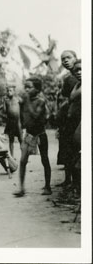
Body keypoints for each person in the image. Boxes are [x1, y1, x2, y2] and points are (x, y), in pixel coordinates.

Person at [14, 77, 51, 197]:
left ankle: (47, 186)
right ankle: (22, 188)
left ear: (37, 89)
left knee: (44, 159)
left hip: (40, 134)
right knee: (23, 161)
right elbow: (20, 120)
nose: (26, 90)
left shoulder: (41, 101)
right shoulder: (24, 101)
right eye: (25, 87)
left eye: (29, 87)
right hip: (29, 134)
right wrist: (21, 136)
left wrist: (26, 101)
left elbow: (35, 116)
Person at [55, 50, 79, 187]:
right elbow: (64, 99)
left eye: (68, 58)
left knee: (74, 151)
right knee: (66, 149)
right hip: (67, 119)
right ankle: (68, 180)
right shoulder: (67, 79)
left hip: (76, 120)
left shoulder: (80, 77)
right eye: (62, 58)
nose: (65, 61)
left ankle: (76, 183)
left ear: (75, 58)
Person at [65, 59, 81, 196]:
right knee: (73, 158)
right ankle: (76, 187)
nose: (79, 72)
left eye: (82, 69)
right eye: (77, 70)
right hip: (73, 124)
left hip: (81, 125)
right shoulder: (77, 85)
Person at [3, 85, 23, 158]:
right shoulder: (6, 100)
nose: (9, 92)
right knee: (11, 140)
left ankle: (23, 156)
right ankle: (12, 156)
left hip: (18, 122)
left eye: (10, 90)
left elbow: (24, 107)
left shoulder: (18, 99)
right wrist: (3, 102)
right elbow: (4, 111)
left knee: (21, 139)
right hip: (10, 122)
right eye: (8, 91)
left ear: (14, 92)